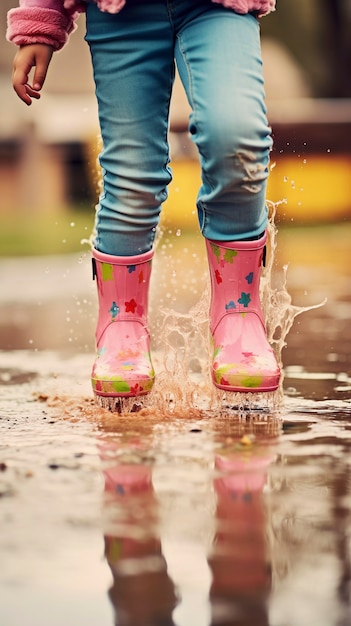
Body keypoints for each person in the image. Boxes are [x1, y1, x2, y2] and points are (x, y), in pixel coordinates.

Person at [7, 0, 280, 404]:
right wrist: (39, 23)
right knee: (132, 173)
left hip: (219, 7)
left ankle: (239, 315)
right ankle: (122, 327)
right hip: (122, 13)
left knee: (237, 140)